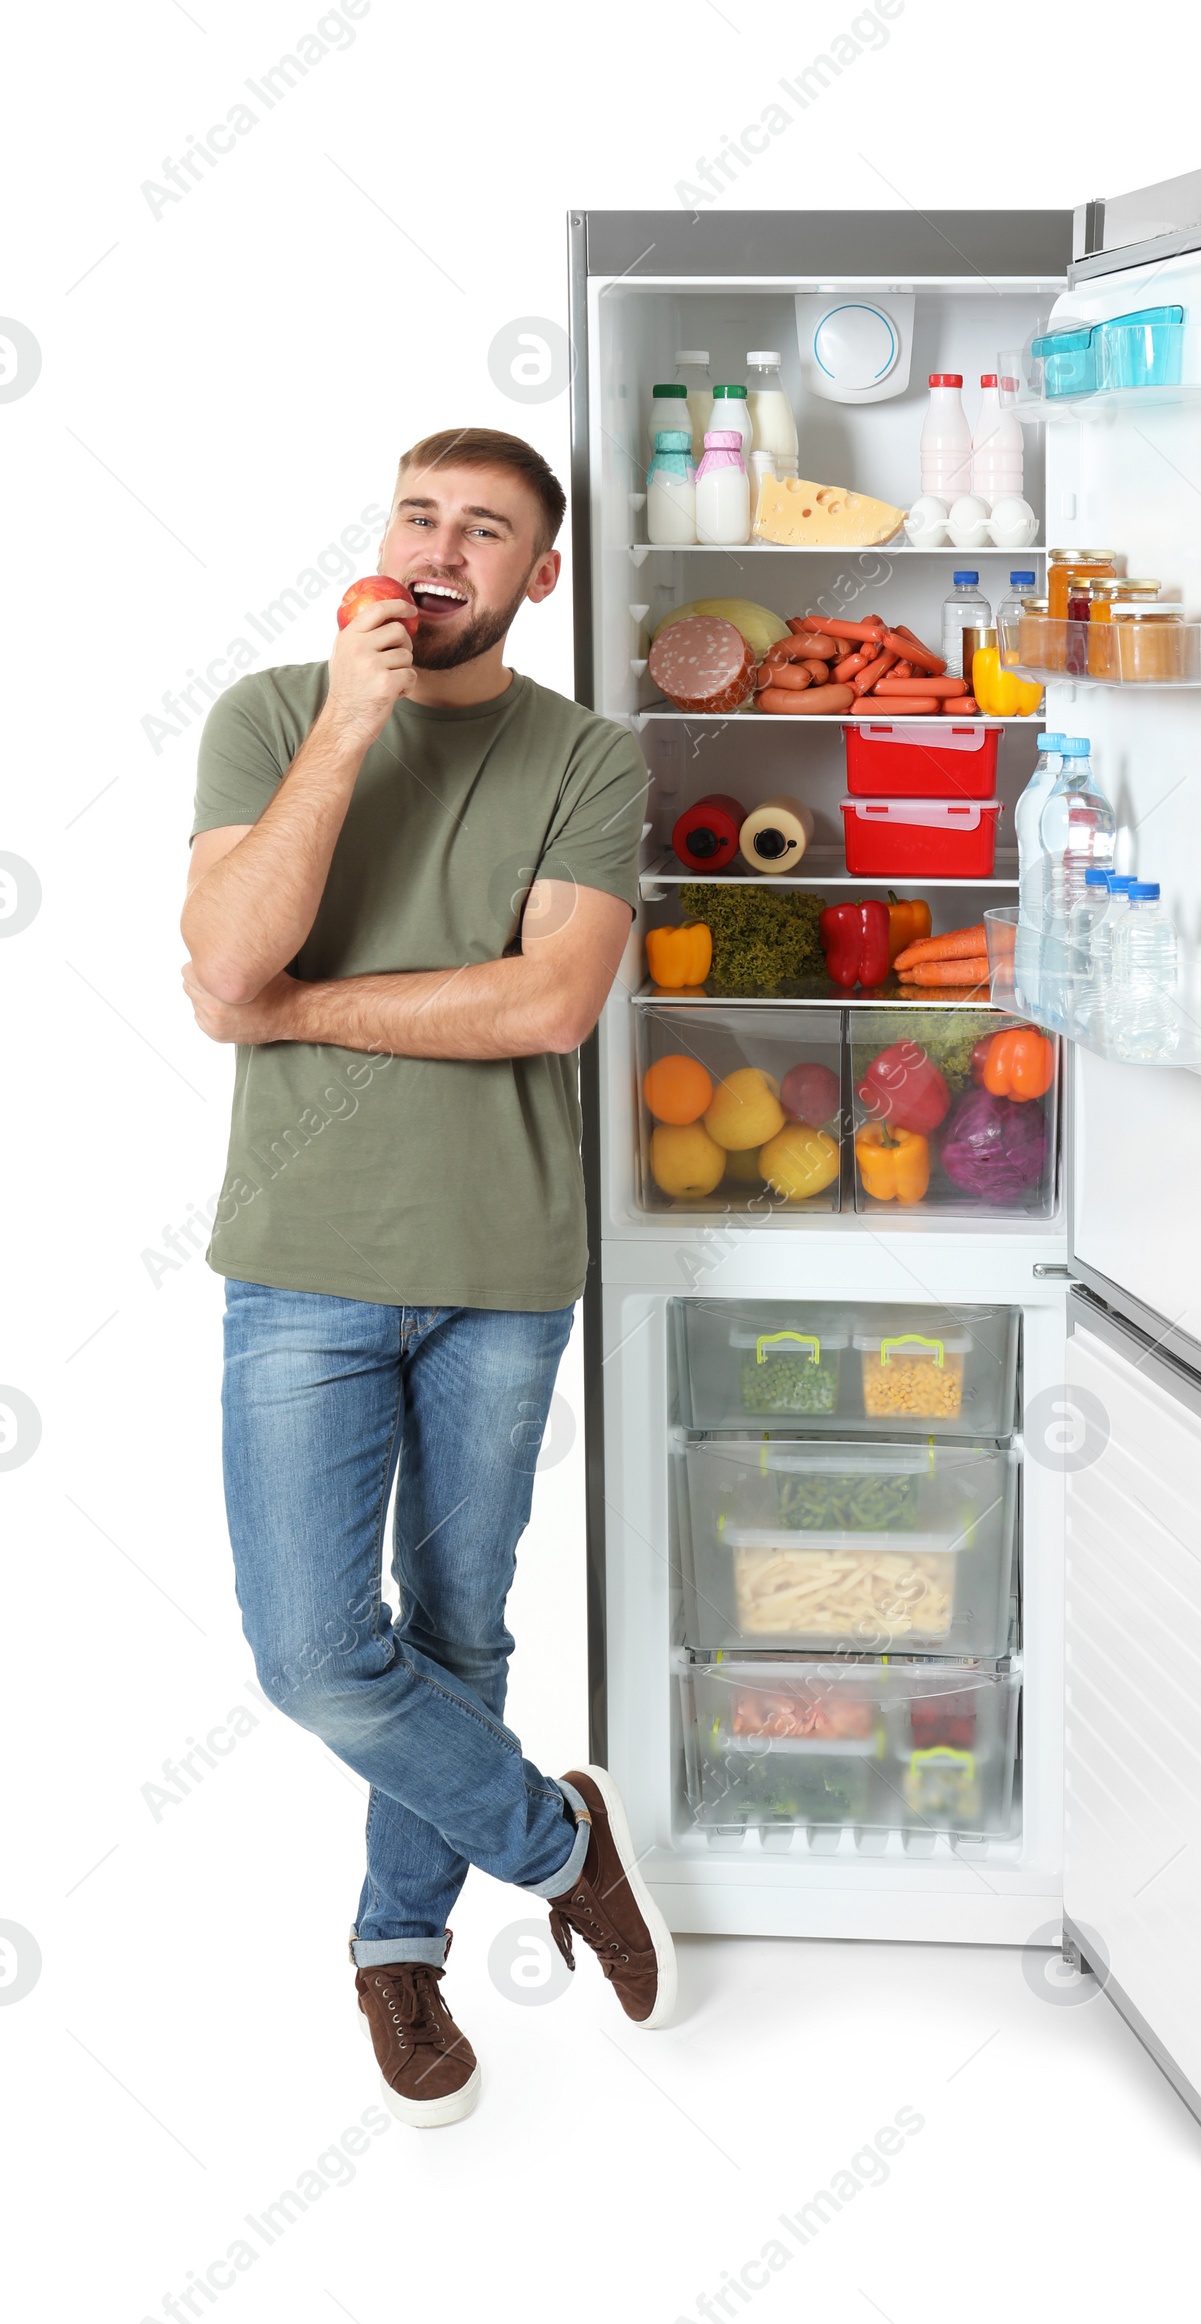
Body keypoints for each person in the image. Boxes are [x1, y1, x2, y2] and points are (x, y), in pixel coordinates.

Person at [180, 426, 671, 2129]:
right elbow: (225, 953)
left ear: (541, 575)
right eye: (418, 516)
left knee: (458, 1631)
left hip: (504, 1264)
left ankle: (400, 1948)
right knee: (318, 1656)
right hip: (301, 1265)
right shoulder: (270, 716)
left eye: (487, 531)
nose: (441, 547)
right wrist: (348, 726)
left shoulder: (589, 757)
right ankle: (558, 1839)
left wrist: (302, 1011)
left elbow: (545, 1005)